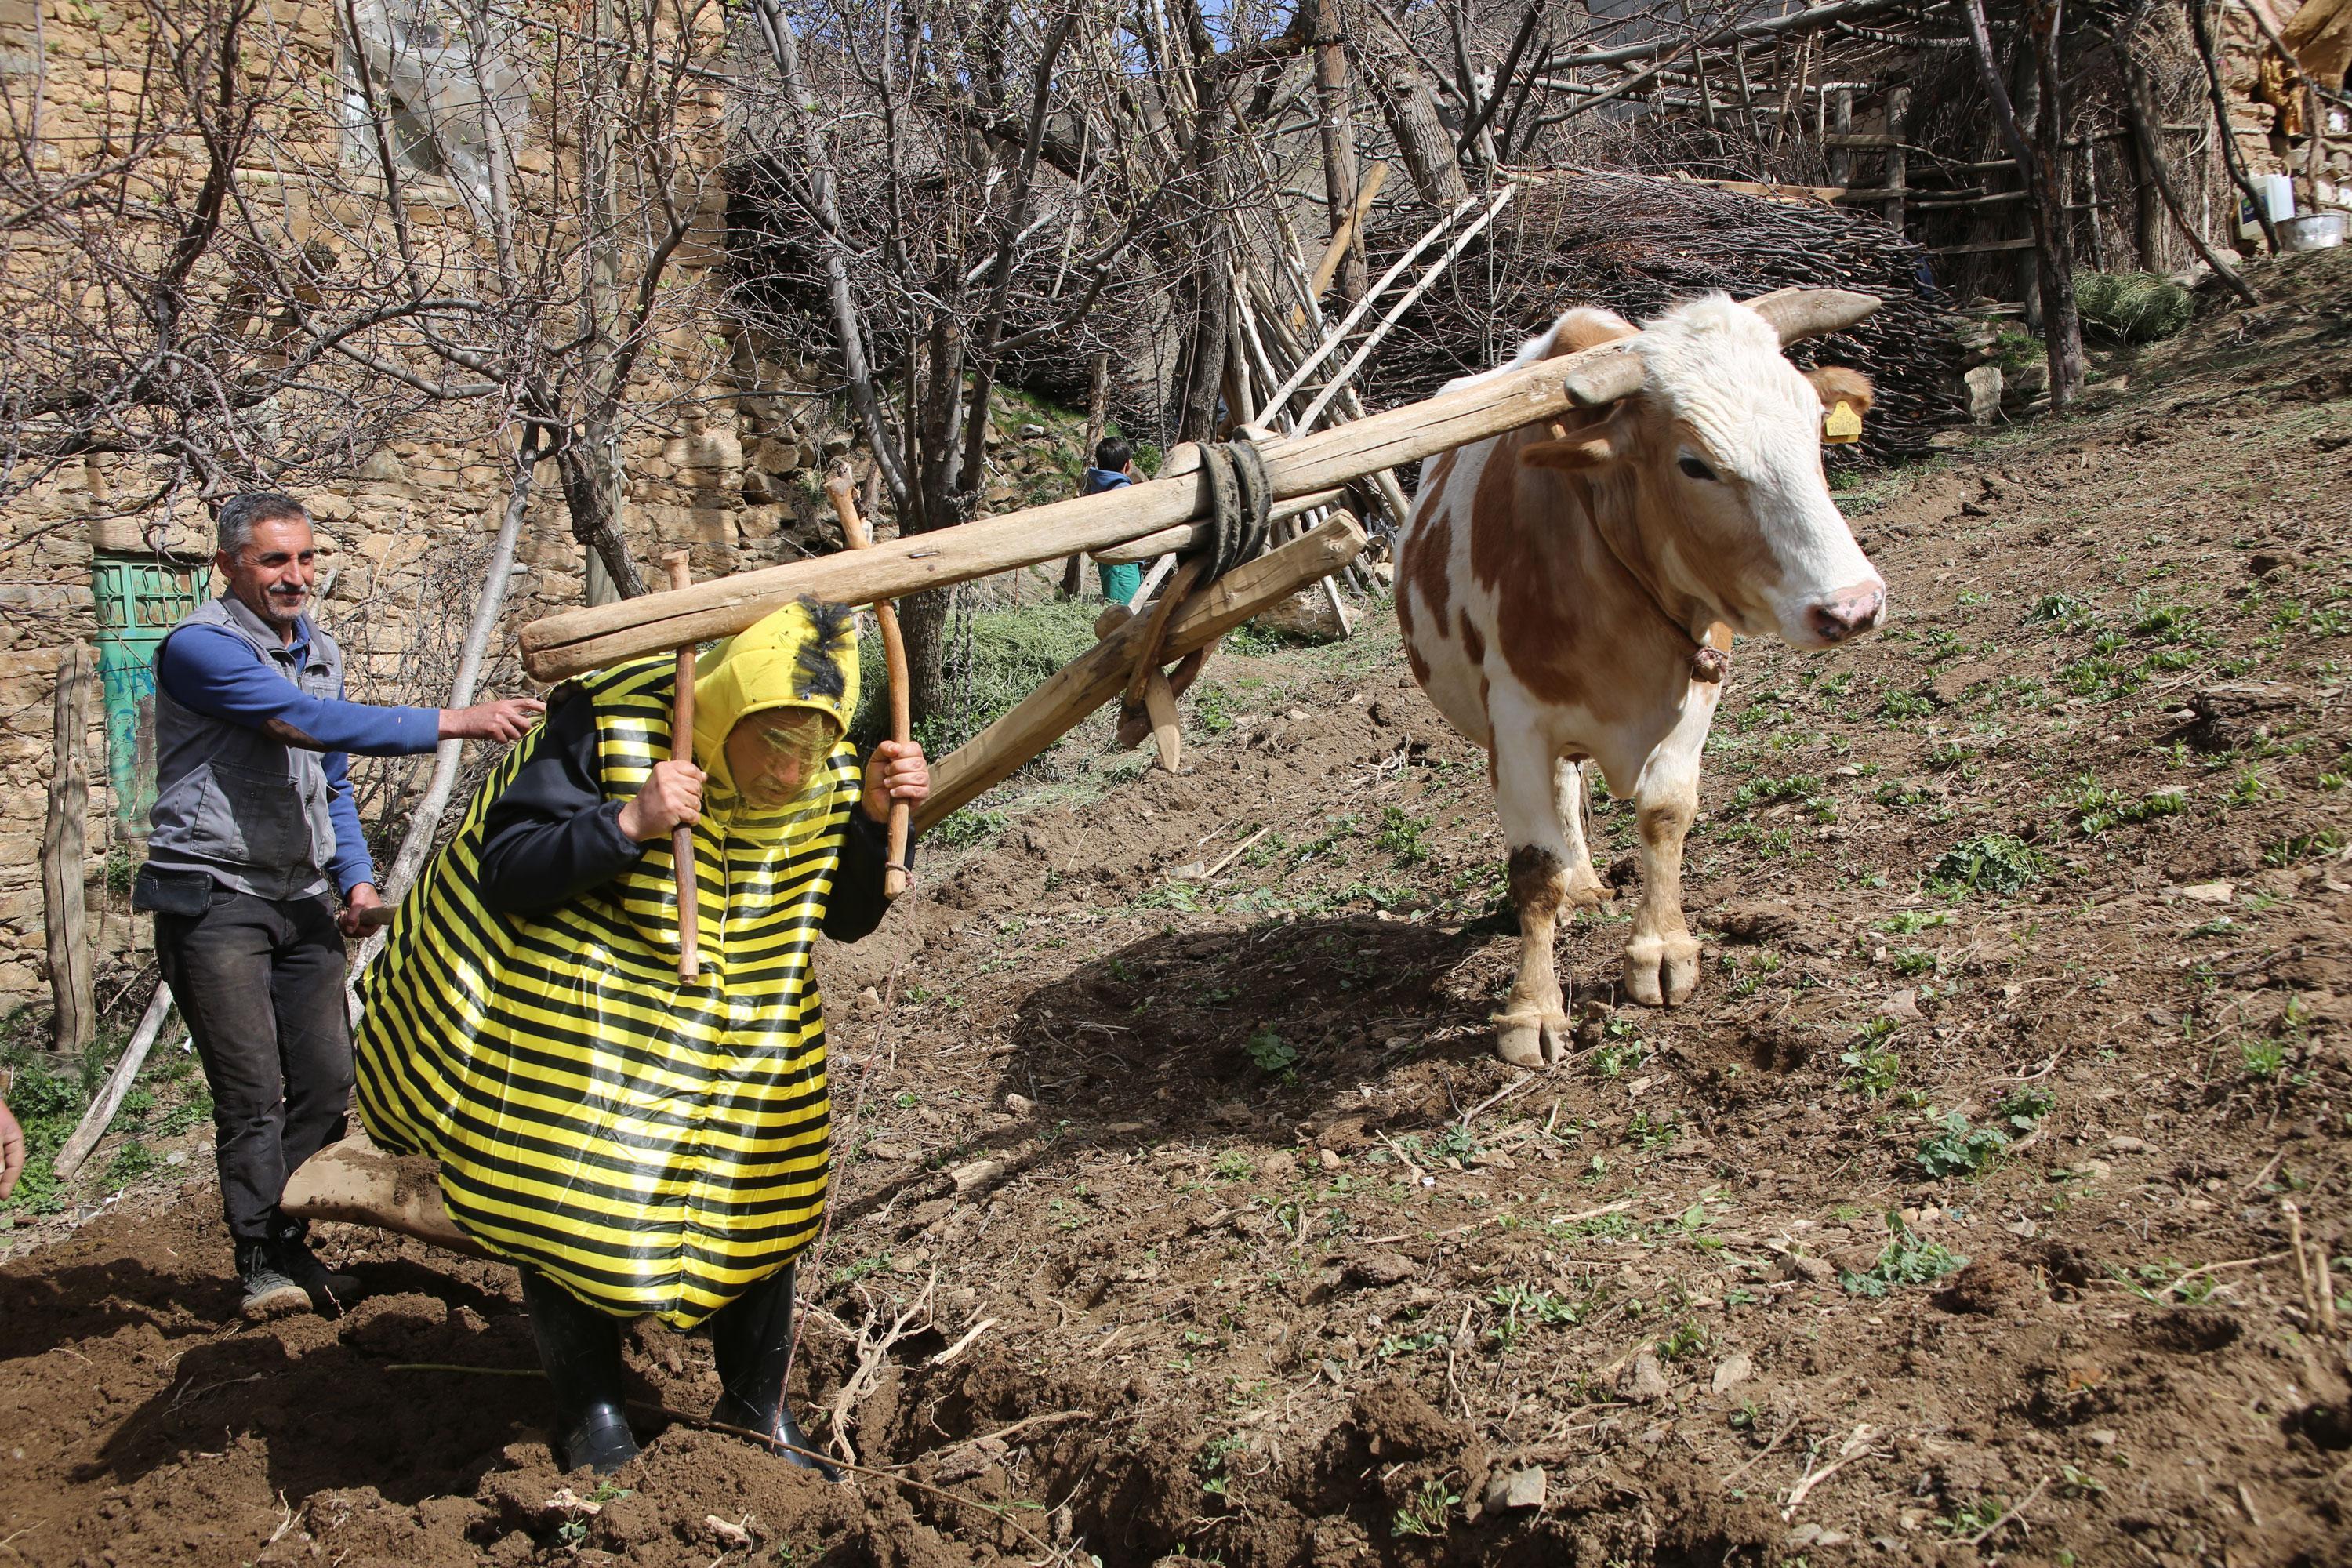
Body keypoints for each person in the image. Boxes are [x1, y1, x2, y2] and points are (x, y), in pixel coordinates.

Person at [353, 596, 928, 1476]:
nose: (788, 770)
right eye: (771, 742)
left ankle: (756, 1405)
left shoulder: (834, 771)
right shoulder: (613, 723)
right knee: (576, 1200)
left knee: (765, 1197)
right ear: (727, 706)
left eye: (809, 747)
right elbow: (508, 869)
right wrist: (628, 822)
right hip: (593, 1025)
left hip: (749, 1031)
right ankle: (592, 1411)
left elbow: (847, 919)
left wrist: (878, 822)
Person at [137, 492, 543, 1320]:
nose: (296, 575)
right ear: (227, 566)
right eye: (274, 560)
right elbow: (303, 723)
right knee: (252, 1091)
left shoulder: (316, 647)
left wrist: (355, 877)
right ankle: (262, 1259)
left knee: (326, 1082)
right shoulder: (199, 648)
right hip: (214, 896)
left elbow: (331, 782)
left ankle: (289, 1238)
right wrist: (456, 720)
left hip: (297, 896)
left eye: (306, 557)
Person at [1081, 437, 1145, 605]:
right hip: (1123, 561)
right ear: (1128, 464)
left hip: (1113, 563)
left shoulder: (1097, 485)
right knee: (1125, 612)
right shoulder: (1122, 490)